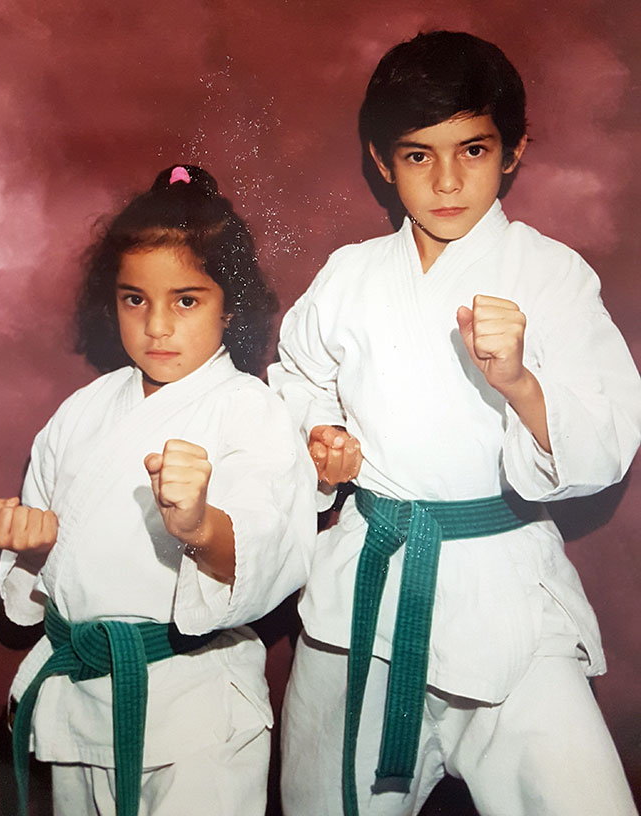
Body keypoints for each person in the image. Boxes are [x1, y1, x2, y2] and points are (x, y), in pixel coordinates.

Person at [268, 31, 641, 816]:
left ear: (513, 150)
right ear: (381, 160)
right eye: (417, 155)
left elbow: (607, 439)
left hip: (502, 589)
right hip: (361, 599)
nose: (445, 181)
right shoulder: (350, 277)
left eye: (472, 150)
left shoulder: (552, 275)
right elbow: (298, 378)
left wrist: (518, 381)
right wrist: (319, 441)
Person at [0, 164, 316, 816]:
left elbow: (269, 546)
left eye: (186, 300)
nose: (158, 326)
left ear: (231, 307)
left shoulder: (251, 411)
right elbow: (34, 591)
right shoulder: (82, 411)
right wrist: (30, 546)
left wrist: (199, 525)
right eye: (135, 299)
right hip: (83, 701)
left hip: (195, 713)